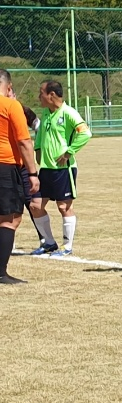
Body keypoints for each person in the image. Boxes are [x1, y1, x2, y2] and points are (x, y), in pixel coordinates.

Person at [28, 79, 91, 256]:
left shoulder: (68, 113)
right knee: (35, 205)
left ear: (52, 95)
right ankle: (49, 243)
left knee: (64, 207)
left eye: (41, 93)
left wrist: (69, 152)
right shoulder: (46, 113)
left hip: (64, 169)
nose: (38, 96)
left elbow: (85, 133)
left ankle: (67, 246)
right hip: (46, 170)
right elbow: (40, 134)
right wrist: (38, 149)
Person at [0, 70, 41, 283]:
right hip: (6, 166)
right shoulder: (10, 105)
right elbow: (25, 142)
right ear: (9, 87)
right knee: (10, 219)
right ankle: (1, 273)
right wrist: (32, 173)